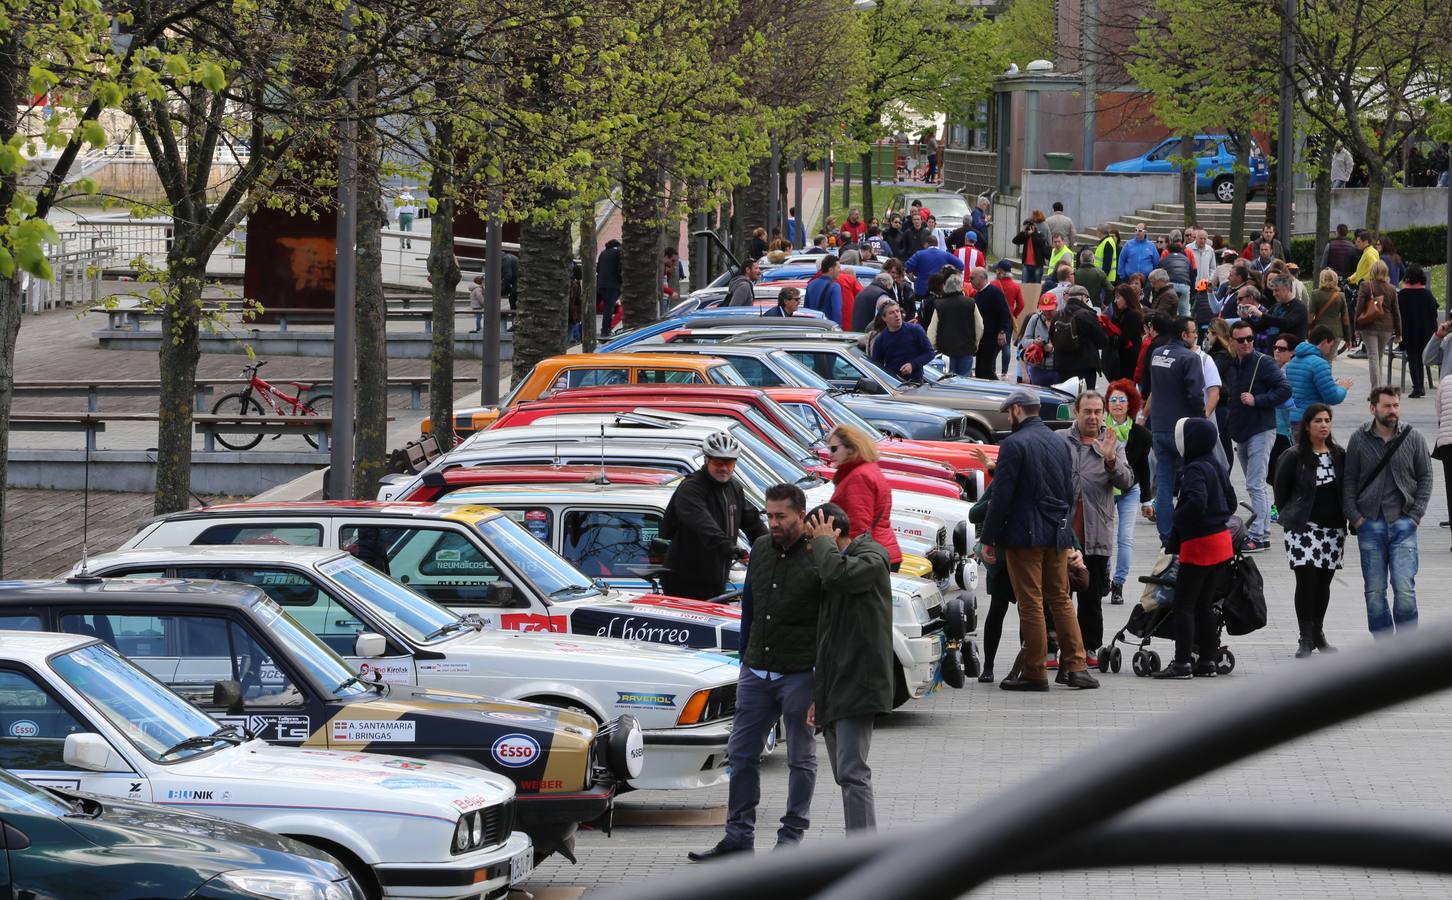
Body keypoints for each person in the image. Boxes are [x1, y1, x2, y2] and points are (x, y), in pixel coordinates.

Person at [689, 483, 819, 861]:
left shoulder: (815, 555)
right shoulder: (761, 548)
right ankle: (738, 838)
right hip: (756, 671)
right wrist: (745, 655)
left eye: (781, 516)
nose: (773, 523)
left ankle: (790, 840)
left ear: (800, 515)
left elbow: (829, 620)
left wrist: (820, 680)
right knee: (741, 754)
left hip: (799, 674)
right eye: (769, 515)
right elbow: (749, 606)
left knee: (801, 758)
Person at [979, 387, 1099, 691]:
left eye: (1009, 412)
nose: (1010, 416)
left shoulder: (1014, 444)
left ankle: (1035, 670)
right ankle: (1077, 666)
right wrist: (1065, 532)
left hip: (1024, 537)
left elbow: (1001, 497)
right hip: (1056, 533)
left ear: (1017, 410)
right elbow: (1068, 493)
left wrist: (989, 537)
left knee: (1030, 603)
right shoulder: (1059, 443)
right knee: (1060, 600)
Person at [803, 502, 891, 834]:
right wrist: (818, 697)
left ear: (833, 532)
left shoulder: (871, 556)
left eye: (813, 538)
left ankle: (863, 851)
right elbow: (827, 638)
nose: (810, 548)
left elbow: (837, 575)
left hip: (859, 682)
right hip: (836, 682)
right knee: (844, 772)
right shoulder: (833, 559)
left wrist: (824, 543)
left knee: (853, 771)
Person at [1342, 386, 1433, 637]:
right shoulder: (1359, 438)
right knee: (1374, 590)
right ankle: (1383, 651)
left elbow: (1426, 477)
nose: (1393, 411)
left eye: (1396, 405)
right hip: (1370, 524)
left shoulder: (1413, 437)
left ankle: (1406, 649)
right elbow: (1349, 480)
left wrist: (1415, 516)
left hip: (1403, 523)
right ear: (1373, 408)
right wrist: (1355, 517)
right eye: (1387, 406)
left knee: (1404, 589)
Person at [1154, 416, 1237, 680]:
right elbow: (1232, 502)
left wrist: (1178, 518)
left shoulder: (1193, 470)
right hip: (1222, 542)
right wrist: (1217, 516)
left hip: (1200, 543)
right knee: (1205, 604)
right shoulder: (1216, 465)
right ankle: (1208, 661)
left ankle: (1182, 663)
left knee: (1184, 604)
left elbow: (1197, 503)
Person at [1061, 390, 1133, 661]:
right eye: (1087, 411)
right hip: (1063, 535)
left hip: (1096, 533)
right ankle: (1057, 647)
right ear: (1076, 412)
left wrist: (1111, 459)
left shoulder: (1112, 443)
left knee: (1090, 598)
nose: (1093, 417)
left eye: (1097, 411)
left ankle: (1089, 648)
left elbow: (1126, 481)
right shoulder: (1061, 441)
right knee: (1058, 595)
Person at [1272, 403, 1347, 658]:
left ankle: (1318, 632)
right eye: (1318, 421)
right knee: (1306, 581)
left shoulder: (1339, 454)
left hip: (1333, 531)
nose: (1324, 425)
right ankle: (1305, 637)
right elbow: (1281, 492)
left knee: (1323, 584)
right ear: (1307, 425)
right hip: (1303, 530)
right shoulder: (1294, 455)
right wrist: (1292, 515)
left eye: (1327, 420)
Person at [659, 432, 767, 600]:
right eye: (718, 462)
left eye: (730, 463)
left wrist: (771, 545)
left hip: (716, 580)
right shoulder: (691, 488)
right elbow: (704, 526)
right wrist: (731, 549)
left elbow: (753, 523)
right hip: (686, 581)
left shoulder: (733, 488)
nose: (724, 468)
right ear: (706, 460)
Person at [1225, 319, 1292, 551]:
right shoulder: (1233, 365)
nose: (1246, 343)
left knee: (1255, 483)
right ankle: (1259, 532)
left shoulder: (1263, 362)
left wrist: (1258, 400)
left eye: (1250, 339)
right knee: (1254, 483)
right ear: (1232, 342)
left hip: (1261, 429)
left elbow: (1284, 389)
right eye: (1241, 340)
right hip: (1242, 432)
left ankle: (1260, 535)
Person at [1141, 316, 1207, 545]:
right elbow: (1196, 394)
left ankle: (1167, 535)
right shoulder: (1190, 358)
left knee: (1165, 483)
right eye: (1194, 332)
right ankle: (1188, 530)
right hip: (1183, 429)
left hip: (1159, 426)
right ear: (1183, 335)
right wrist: (1202, 418)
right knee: (1191, 480)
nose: (1196, 335)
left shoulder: (1157, 354)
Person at [824, 424, 902, 569]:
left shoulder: (858, 477)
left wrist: (850, 562)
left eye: (834, 448)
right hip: (879, 551)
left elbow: (858, 525)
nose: (830, 454)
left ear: (850, 448)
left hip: (870, 557)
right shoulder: (866, 470)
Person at [1104, 379, 1154, 604]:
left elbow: (1144, 468)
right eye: (1113, 400)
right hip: (1104, 489)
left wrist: (1147, 501)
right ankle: (1102, 576)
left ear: (1130, 404)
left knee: (1125, 538)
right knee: (1103, 537)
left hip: (1130, 489)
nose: (1116, 404)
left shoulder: (1142, 435)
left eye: (1122, 400)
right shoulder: (1099, 429)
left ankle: (1119, 583)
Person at [1286, 325, 1354, 430]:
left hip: (1292, 418)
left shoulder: (1293, 361)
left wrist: (1332, 384)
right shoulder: (1320, 364)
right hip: (1311, 419)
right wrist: (1343, 388)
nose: (1330, 349)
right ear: (1324, 342)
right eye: (1330, 346)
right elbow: (1332, 397)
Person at [1354, 260, 1400, 385]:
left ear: (1372, 271)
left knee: (1373, 357)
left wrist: (1357, 327)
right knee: (1378, 356)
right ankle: (1378, 386)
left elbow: (1359, 308)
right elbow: (1396, 312)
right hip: (1386, 327)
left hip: (1369, 326)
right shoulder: (1391, 289)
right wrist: (1399, 333)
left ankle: (1376, 389)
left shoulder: (1365, 286)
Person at [1053, 285, 1107, 390]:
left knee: (1065, 398)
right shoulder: (1088, 315)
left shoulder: (1058, 315)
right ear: (1083, 297)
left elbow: (1053, 338)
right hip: (1085, 366)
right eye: (1087, 298)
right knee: (1086, 399)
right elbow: (1102, 341)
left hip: (1062, 366)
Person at [1397, 263, 1439, 398]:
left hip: (1409, 332)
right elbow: (1435, 312)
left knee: (1413, 358)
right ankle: (1420, 386)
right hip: (1426, 332)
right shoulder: (1427, 294)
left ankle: (1418, 387)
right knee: (1421, 357)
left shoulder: (1402, 295)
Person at [869, 301, 934, 383]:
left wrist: (912, 365)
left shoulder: (915, 330)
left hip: (915, 383)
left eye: (897, 311)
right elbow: (877, 367)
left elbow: (930, 353)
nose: (896, 315)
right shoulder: (880, 339)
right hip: (893, 384)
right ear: (884, 318)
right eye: (891, 313)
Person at [931, 273, 979, 377]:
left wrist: (933, 346)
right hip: (966, 348)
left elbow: (932, 329)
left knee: (947, 380)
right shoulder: (971, 303)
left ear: (946, 287)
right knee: (964, 380)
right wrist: (976, 343)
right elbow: (980, 326)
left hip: (945, 350)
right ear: (961, 287)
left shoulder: (939, 304)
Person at [1248, 274, 1310, 346]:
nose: (1274, 294)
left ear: (1287, 288)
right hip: (1273, 351)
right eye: (1273, 291)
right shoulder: (1276, 306)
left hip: (1291, 352)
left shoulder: (1299, 307)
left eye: (1277, 290)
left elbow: (1286, 323)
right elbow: (1260, 327)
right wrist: (1246, 317)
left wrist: (1261, 315)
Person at [904, 235, 964, 303]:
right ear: (937, 243)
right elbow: (961, 266)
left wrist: (912, 277)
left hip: (921, 289)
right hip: (940, 290)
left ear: (926, 244)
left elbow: (907, 267)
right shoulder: (946, 254)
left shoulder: (919, 254)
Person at [1018, 294, 1059, 386]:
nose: (1047, 313)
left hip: (1057, 370)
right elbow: (1024, 342)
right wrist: (1034, 342)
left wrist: (1052, 349)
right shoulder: (1035, 319)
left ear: (1056, 306)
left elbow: (1067, 346)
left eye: (1050, 310)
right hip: (1037, 370)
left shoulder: (1062, 320)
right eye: (1045, 310)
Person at [1109, 284, 1145, 381]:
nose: (1115, 301)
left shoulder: (1133, 315)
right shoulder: (1119, 314)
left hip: (1129, 360)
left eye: (1118, 297)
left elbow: (1123, 338)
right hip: (1121, 359)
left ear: (1126, 298)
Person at [994, 260, 1025, 375]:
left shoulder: (994, 284)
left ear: (1000, 271)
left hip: (995, 317)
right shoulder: (1015, 286)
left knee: (994, 343)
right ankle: (1004, 372)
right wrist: (1014, 314)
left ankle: (992, 368)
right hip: (1008, 318)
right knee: (1006, 345)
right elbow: (1021, 304)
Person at [1309, 268, 1351, 348]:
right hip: (1336, 332)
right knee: (1330, 359)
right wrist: (1348, 338)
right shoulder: (1340, 296)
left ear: (1321, 279)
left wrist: (1306, 332)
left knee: (1318, 357)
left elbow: (1310, 317)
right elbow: (1345, 319)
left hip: (1319, 332)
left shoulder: (1315, 294)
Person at [1160, 229, 1194, 315]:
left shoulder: (1166, 252)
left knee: (1169, 311)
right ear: (1181, 238)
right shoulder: (1189, 251)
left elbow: (1160, 271)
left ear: (1170, 239)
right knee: (1184, 311)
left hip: (1170, 283)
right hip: (1185, 283)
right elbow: (1194, 270)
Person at [595, 238, 624, 338]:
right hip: (613, 285)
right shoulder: (618, 253)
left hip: (601, 284)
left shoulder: (603, 253)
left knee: (603, 307)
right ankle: (606, 331)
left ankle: (604, 329)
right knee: (608, 308)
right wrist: (621, 281)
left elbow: (598, 269)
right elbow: (620, 269)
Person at [804, 255, 844, 325]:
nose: (840, 270)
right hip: (827, 327)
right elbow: (836, 311)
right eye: (838, 267)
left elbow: (806, 308)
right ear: (831, 269)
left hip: (813, 326)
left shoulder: (811, 284)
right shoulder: (835, 287)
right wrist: (838, 328)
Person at [1012, 219, 1049, 284]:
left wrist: (1033, 234)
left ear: (1034, 226)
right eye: (1026, 226)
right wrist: (1023, 232)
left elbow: (1040, 242)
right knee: (1024, 284)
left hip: (1037, 265)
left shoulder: (1039, 234)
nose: (1028, 228)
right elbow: (1015, 241)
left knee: (1036, 285)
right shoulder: (1025, 235)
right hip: (1026, 265)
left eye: (1029, 226)